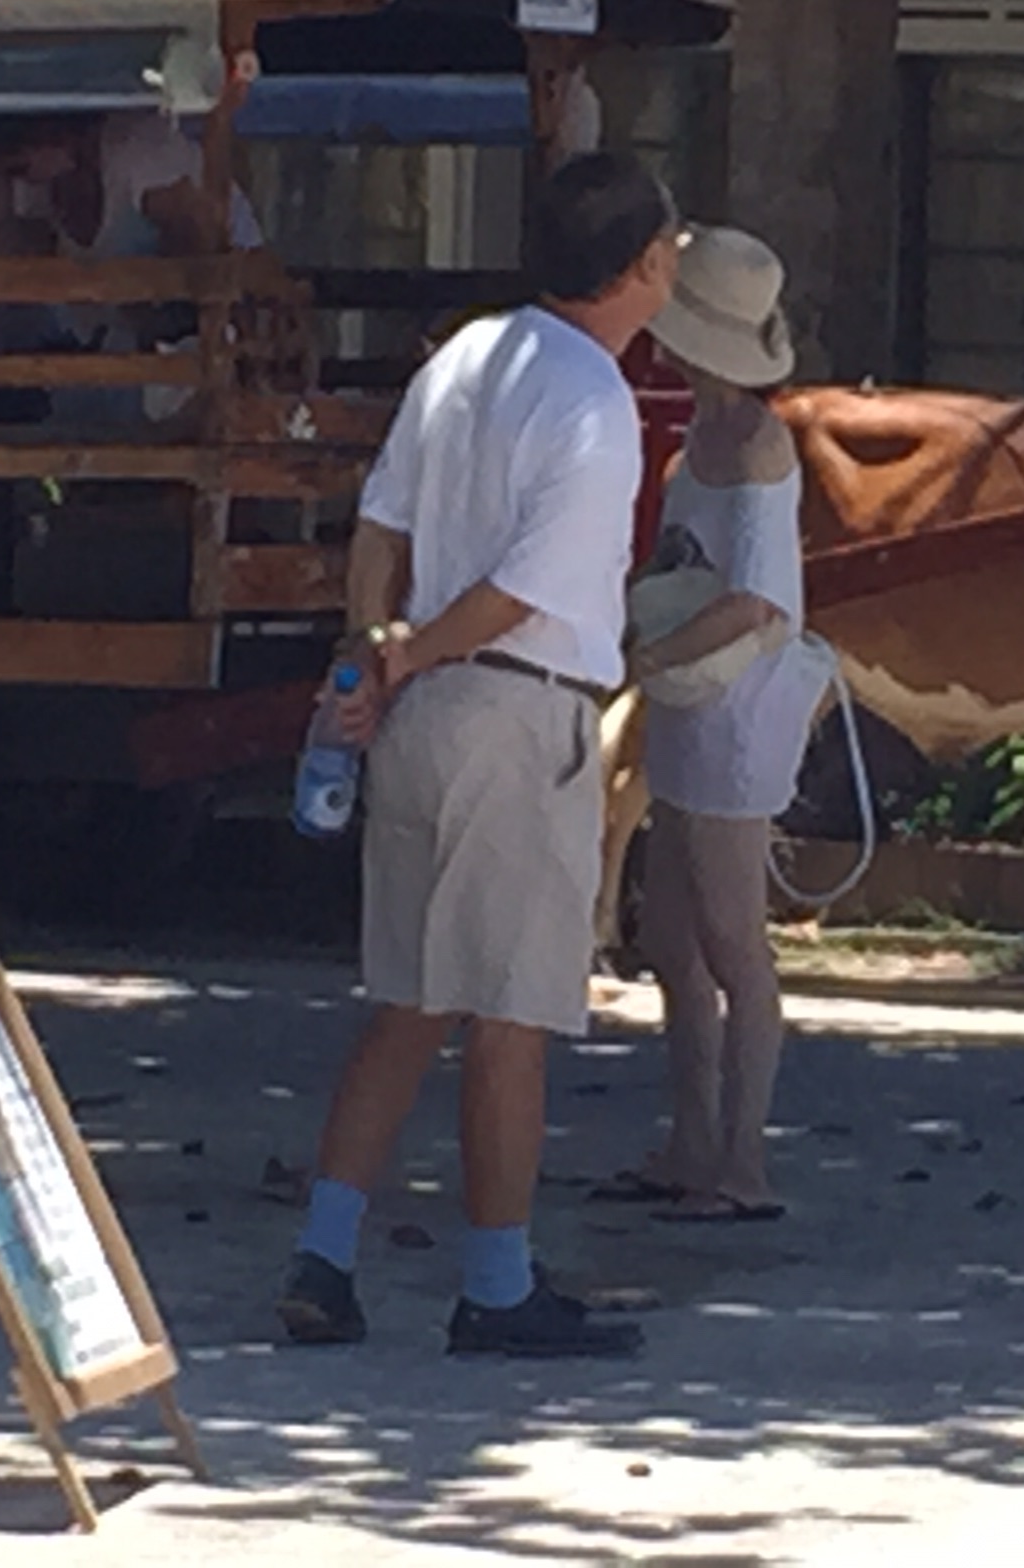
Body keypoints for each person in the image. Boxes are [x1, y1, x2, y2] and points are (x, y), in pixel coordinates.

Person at [275, 150, 681, 1356]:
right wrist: (410, 652)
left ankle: (325, 1254)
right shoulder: (597, 401)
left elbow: (382, 521)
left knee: (407, 998)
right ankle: (497, 1286)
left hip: (421, 721)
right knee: (511, 1012)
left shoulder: (464, 355)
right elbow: (523, 592)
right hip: (515, 707)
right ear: (643, 265)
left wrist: (369, 654)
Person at [597, 227, 831, 1223]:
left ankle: (743, 1161)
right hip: (693, 693)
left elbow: (759, 600)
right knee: (674, 934)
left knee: (735, 940)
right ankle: (693, 1142)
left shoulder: (761, 445)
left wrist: (645, 657)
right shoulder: (705, 432)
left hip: (735, 703)